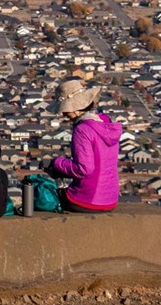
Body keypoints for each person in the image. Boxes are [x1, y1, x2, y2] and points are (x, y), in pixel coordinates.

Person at [46, 78, 121, 212]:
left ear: (75, 108)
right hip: (110, 199)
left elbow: (84, 169)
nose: (64, 114)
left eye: (65, 109)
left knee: (43, 195)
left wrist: (57, 163)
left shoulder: (82, 130)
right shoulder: (106, 123)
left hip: (87, 199)